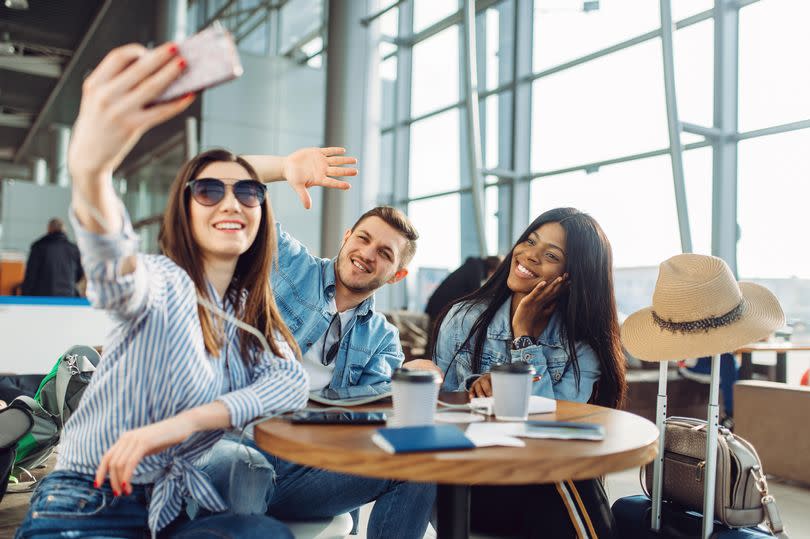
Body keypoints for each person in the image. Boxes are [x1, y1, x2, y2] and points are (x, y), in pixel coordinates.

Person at [15, 43, 354, 538]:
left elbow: (288, 383)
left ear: (262, 215)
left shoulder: (251, 322)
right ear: (186, 212)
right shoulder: (163, 281)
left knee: (265, 534)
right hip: (85, 503)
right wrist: (90, 172)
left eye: (248, 192)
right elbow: (115, 267)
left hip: (170, 511)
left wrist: (180, 425)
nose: (230, 201)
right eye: (209, 191)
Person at [198, 200, 435, 539]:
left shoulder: (383, 339)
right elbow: (241, 196)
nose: (368, 253)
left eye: (385, 253)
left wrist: (401, 386)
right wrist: (284, 170)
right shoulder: (290, 264)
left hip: (304, 470)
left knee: (418, 465)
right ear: (347, 236)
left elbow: (365, 425)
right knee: (243, 468)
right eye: (363, 238)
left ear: (397, 275)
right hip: (233, 443)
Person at [430, 207, 626, 537]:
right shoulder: (461, 319)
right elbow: (438, 419)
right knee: (568, 480)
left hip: (542, 480)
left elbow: (553, 434)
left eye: (550, 255)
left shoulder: (582, 347)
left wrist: (525, 341)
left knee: (563, 473)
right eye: (529, 241)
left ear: (572, 275)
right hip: (473, 482)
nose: (529, 256)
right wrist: (477, 393)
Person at [424, 255, 501, 348]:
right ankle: (428, 360)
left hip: (438, 305)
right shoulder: (476, 268)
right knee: (434, 341)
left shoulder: (474, 266)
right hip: (439, 308)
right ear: (493, 269)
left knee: (434, 340)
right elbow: (477, 294)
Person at [21, 218, 84, 297]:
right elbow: (79, 274)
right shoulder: (73, 249)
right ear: (64, 230)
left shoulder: (38, 247)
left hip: (42, 297)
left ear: (49, 229)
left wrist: (25, 295)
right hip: (67, 296)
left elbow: (31, 275)